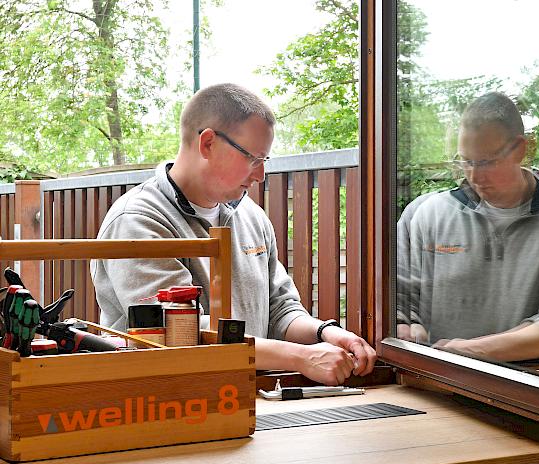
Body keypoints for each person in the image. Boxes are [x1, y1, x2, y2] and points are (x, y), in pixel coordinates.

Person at [92, 83, 376, 385]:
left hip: (244, 401)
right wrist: (299, 357)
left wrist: (327, 333)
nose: (260, 175)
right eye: (253, 158)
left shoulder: (251, 216)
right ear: (208, 143)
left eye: (264, 161)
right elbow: (181, 333)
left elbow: (279, 311)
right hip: (161, 405)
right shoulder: (137, 220)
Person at [396, 92, 539, 361]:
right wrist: (404, 328)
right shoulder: (424, 214)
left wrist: (474, 352)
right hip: (434, 384)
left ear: (520, 149)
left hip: (533, 392)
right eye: (466, 161)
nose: (475, 176)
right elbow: (395, 300)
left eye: (487, 162)